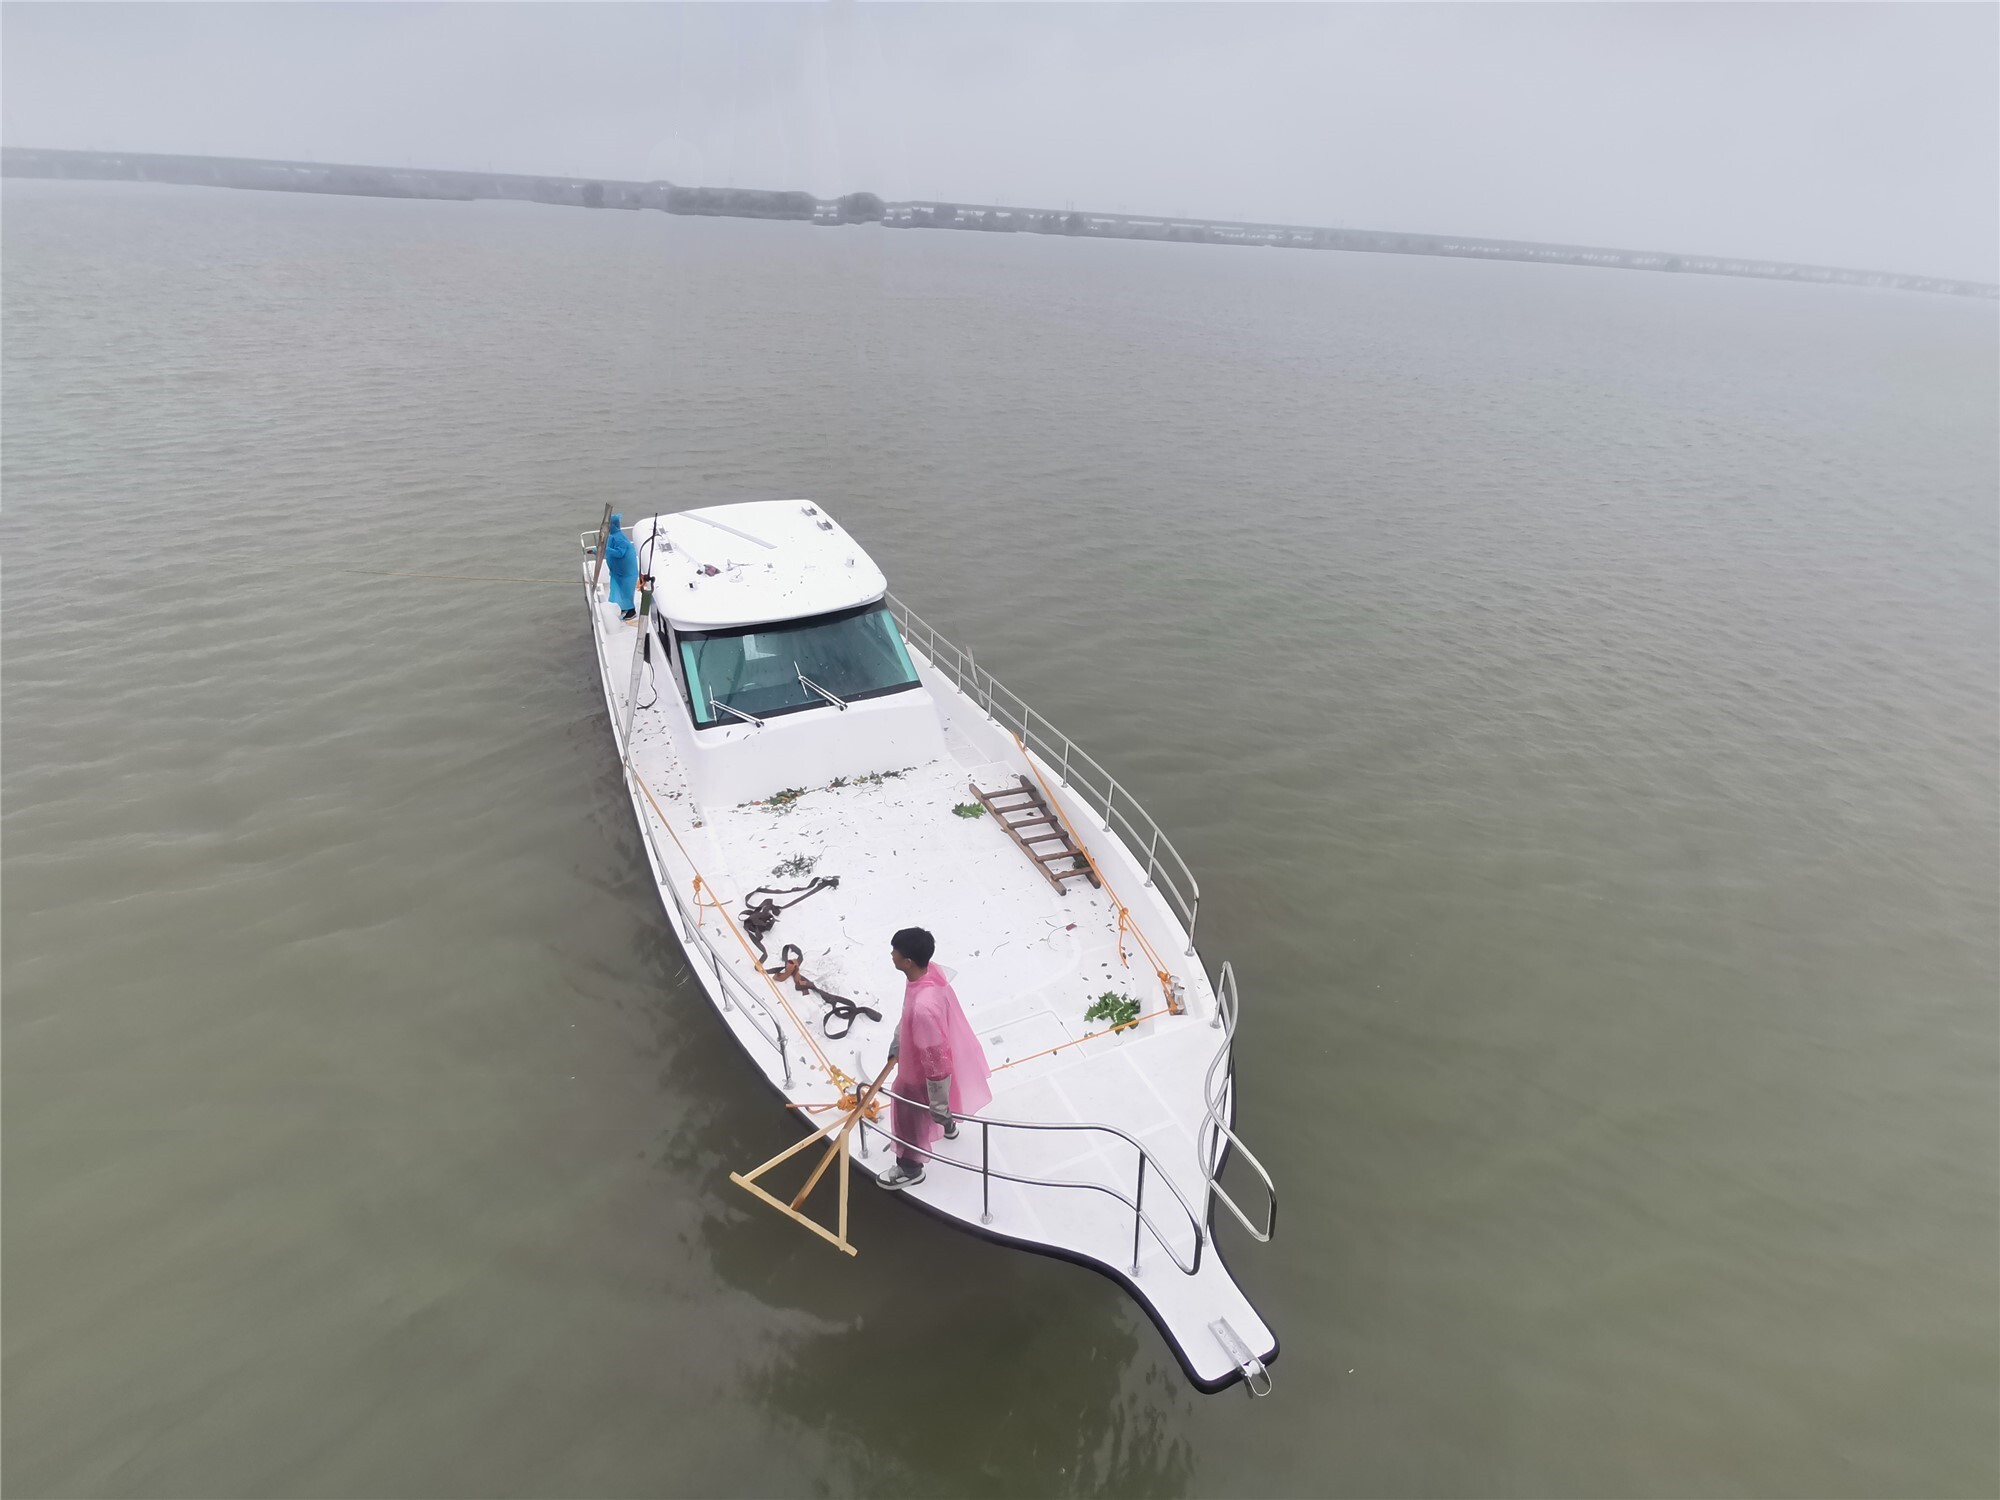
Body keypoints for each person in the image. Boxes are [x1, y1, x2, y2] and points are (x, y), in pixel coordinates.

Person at [878, 927, 993, 1191]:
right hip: (927, 1043)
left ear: (908, 961)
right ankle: (948, 1125)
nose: (891, 955)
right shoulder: (928, 972)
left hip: (919, 1070)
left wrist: (938, 1103)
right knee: (938, 1101)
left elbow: (936, 1062)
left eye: (895, 951)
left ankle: (910, 1168)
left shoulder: (924, 1009)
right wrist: (899, 1041)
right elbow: (907, 1010)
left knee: (908, 1111)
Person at [603, 513, 638, 619]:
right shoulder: (613, 536)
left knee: (626, 592)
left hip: (626, 572)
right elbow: (610, 549)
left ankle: (631, 611)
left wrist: (603, 549)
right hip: (619, 572)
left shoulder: (619, 538)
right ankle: (624, 608)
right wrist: (597, 551)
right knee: (619, 591)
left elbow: (619, 553)